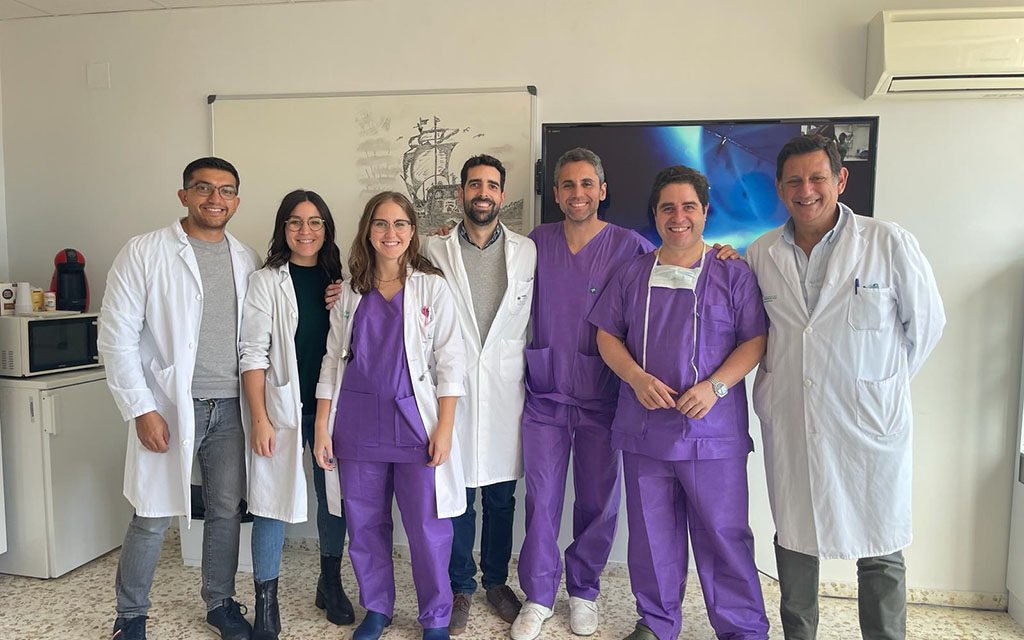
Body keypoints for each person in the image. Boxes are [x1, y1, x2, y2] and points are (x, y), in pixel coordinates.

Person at [745, 134, 945, 640]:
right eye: (794, 180)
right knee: (794, 535)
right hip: (792, 414)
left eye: (817, 178)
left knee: (880, 541)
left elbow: (926, 326)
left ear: (840, 179)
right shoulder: (762, 252)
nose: (806, 190)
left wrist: (876, 387)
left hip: (869, 422)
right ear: (779, 187)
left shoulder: (886, 241)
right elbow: (753, 331)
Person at [589, 165, 770, 640]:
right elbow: (608, 335)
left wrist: (716, 387)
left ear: (705, 212)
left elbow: (755, 341)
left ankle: (742, 629)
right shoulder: (632, 274)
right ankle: (656, 622)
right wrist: (634, 377)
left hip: (712, 435)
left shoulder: (733, 273)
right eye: (668, 207)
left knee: (723, 537)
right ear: (655, 214)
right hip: (646, 428)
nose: (678, 216)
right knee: (651, 540)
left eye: (689, 206)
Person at [99, 157, 261, 640]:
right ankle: (130, 617)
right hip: (170, 405)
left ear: (236, 198)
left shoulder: (246, 256)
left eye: (226, 190)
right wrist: (141, 408)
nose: (216, 199)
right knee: (151, 513)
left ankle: (220, 603)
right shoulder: (145, 252)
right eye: (204, 189)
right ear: (184, 195)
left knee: (226, 510)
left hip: (230, 407)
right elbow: (116, 337)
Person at [512, 148, 655, 640]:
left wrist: (722, 252)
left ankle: (584, 591)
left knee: (598, 500)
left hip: (603, 396)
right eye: (568, 185)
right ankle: (537, 595)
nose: (578, 193)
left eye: (587, 184)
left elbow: (678, 275)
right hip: (546, 393)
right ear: (555, 194)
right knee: (542, 498)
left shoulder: (632, 247)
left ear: (603, 189)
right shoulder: (534, 244)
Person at [313, 191, 467, 640]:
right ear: (367, 231)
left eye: (400, 224)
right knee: (364, 523)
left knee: (427, 527)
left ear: (412, 232)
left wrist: (445, 427)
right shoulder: (349, 291)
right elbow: (332, 358)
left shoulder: (431, 287)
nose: (390, 233)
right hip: (357, 424)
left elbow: (449, 362)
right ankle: (377, 610)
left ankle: (436, 616)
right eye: (381, 224)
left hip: (415, 424)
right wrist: (323, 424)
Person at [421, 154, 537, 634]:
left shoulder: (527, 251)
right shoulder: (432, 247)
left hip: (506, 386)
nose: (483, 193)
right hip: (454, 385)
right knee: (458, 494)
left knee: (502, 496)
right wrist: (341, 288)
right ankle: (461, 585)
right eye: (474, 185)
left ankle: (495, 581)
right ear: (461, 192)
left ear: (502, 195)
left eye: (491, 185)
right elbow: (388, 277)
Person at [239, 189, 354, 640]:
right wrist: (260, 418)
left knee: (333, 495)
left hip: (330, 407)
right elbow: (251, 353)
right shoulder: (266, 281)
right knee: (269, 503)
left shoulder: (340, 282)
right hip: (280, 407)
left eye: (315, 222)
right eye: (295, 222)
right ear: (282, 228)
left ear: (326, 230)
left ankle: (330, 580)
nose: (305, 231)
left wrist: (347, 299)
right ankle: (266, 601)